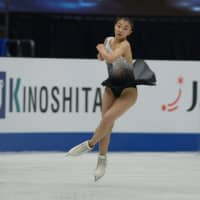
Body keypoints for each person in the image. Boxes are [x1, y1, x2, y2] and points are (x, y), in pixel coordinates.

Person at [66, 17, 156, 182]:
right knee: (106, 123)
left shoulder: (125, 45)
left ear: (130, 32)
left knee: (108, 118)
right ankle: (102, 160)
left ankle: (89, 145)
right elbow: (102, 58)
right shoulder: (108, 40)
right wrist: (101, 52)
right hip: (111, 88)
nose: (121, 29)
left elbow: (111, 58)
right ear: (114, 26)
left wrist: (102, 50)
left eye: (125, 28)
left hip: (128, 90)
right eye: (119, 26)